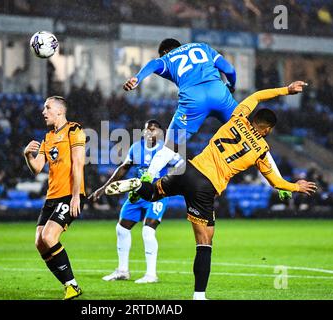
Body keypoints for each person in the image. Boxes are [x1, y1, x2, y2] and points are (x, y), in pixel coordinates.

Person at [105, 81, 317, 300]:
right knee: (205, 242)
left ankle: (140, 185)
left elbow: (257, 96)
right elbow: (275, 181)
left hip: (187, 169)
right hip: (205, 187)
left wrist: (286, 90)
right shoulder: (262, 150)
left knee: (154, 192)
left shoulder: (237, 117)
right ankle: (199, 296)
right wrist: (295, 186)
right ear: (267, 129)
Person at [123, 38, 291, 202]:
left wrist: (137, 78)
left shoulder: (167, 58)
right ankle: (281, 185)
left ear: (165, 52)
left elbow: (153, 64)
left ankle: (147, 178)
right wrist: (231, 86)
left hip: (193, 101)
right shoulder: (203, 47)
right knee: (253, 137)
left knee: (170, 147)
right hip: (219, 95)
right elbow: (230, 69)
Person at [89, 119, 183, 284]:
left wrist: (165, 183)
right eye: (146, 129)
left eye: (152, 130)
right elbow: (123, 168)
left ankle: (151, 275)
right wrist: (104, 187)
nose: (148, 132)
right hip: (137, 194)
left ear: (160, 133)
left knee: (148, 231)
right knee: (121, 228)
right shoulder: (136, 148)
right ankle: (123, 270)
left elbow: (181, 165)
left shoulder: (165, 150)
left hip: (156, 195)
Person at [23, 96, 86, 300]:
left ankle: (72, 285)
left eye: (47, 108)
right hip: (52, 196)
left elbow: (78, 164)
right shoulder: (47, 138)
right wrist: (27, 155)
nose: (44, 112)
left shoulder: (74, 130)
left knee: (49, 237)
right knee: (39, 243)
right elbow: (37, 168)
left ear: (60, 111)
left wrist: (76, 196)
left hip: (69, 194)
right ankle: (69, 284)